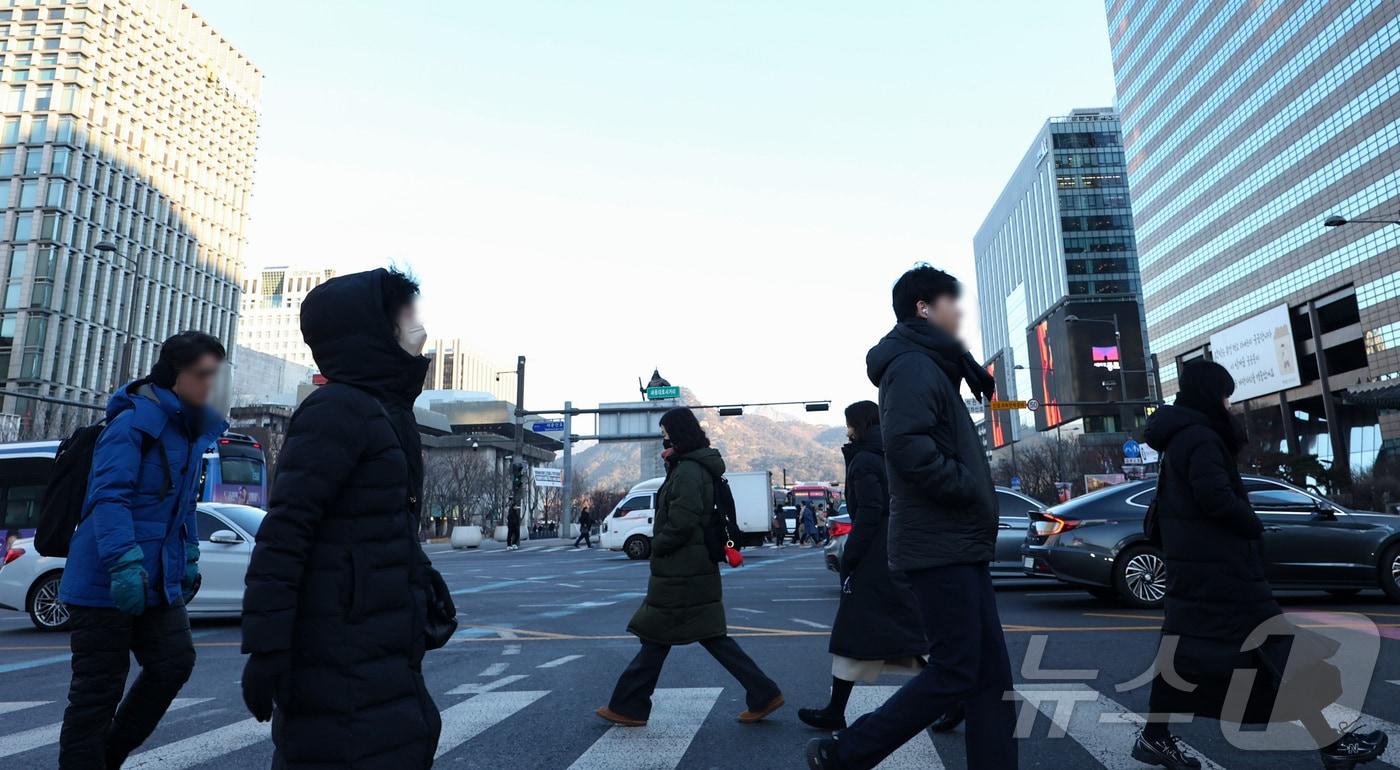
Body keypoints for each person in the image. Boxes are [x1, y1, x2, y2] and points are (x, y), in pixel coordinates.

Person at [807, 264, 1015, 770]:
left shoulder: (934, 365)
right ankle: (847, 753)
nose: (959, 311)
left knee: (989, 678)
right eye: (951, 301)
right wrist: (970, 489)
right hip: (940, 539)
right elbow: (909, 451)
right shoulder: (915, 367)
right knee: (957, 671)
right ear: (923, 308)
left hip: (954, 539)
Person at [240, 268, 450, 768]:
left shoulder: (384, 411)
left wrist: (420, 583)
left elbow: (374, 527)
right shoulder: (337, 410)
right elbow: (285, 533)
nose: (417, 327)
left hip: (375, 644)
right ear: (369, 330)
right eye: (404, 315)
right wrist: (266, 650)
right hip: (338, 649)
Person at [1131, 359, 1386, 770]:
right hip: (1222, 573)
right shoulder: (1200, 438)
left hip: (1196, 571)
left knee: (1184, 654)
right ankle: (1332, 745)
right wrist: (1251, 524)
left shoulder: (1178, 438)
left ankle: (1154, 737)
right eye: (1225, 396)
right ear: (1210, 396)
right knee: (1278, 646)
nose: (1229, 405)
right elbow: (1214, 497)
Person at [57, 332, 229, 769]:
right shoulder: (134, 423)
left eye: (217, 375)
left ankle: (107, 756)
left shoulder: (191, 432)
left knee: (174, 663)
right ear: (175, 375)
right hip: (105, 580)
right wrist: (123, 563)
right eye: (203, 375)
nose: (212, 384)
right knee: (97, 693)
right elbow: (109, 498)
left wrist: (189, 555)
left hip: (156, 581)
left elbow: (182, 504)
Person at [597, 407, 784, 727]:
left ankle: (629, 705)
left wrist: (659, 547)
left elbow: (682, 521)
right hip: (690, 570)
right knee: (703, 637)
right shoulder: (690, 466)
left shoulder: (688, 471)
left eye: (667, 433)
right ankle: (763, 692)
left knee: (657, 639)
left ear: (679, 435)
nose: (663, 439)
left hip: (681, 571)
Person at [798, 401, 926, 731]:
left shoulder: (866, 460)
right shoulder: (891, 453)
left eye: (849, 424)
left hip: (874, 557)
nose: (847, 430)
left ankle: (954, 697)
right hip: (894, 550)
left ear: (859, 425)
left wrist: (850, 556)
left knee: (882, 631)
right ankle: (835, 709)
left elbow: (870, 512)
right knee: (879, 631)